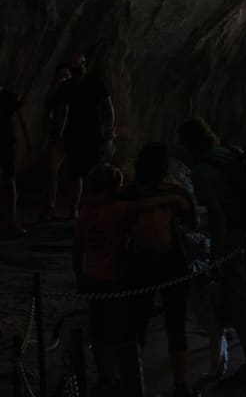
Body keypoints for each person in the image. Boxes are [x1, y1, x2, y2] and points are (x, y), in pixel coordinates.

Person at [177, 120, 246, 382]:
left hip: (236, 239)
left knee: (238, 302)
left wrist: (216, 256)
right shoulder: (232, 152)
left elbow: (217, 215)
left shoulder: (202, 172)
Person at [120, 143, 197, 397]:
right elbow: (192, 222)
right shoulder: (177, 193)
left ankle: (133, 386)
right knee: (176, 326)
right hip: (173, 263)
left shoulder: (127, 194)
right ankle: (181, 385)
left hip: (139, 264)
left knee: (136, 325)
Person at [72, 164, 131, 393]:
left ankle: (105, 377)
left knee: (98, 329)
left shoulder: (86, 211)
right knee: (117, 329)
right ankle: (117, 376)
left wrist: (80, 276)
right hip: (115, 278)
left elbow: (77, 248)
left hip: (92, 276)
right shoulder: (119, 209)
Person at [45, 57, 114, 221]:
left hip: (93, 132)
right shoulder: (66, 87)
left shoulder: (96, 83)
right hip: (73, 132)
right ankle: (75, 208)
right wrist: (59, 133)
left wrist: (110, 131)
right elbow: (61, 111)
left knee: (93, 170)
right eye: (74, 64)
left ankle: (93, 206)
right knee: (75, 172)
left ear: (85, 63)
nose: (77, 66)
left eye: (79, 63)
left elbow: (108, 106)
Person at [0, 85, 29, 237]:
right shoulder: (10, 96)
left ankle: (11, 220)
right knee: (9, 181)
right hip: (7, 143)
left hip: (6, 143)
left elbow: (22, 120)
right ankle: (10, 221)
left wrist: (27, 142)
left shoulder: (10, 96)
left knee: (9, 180)